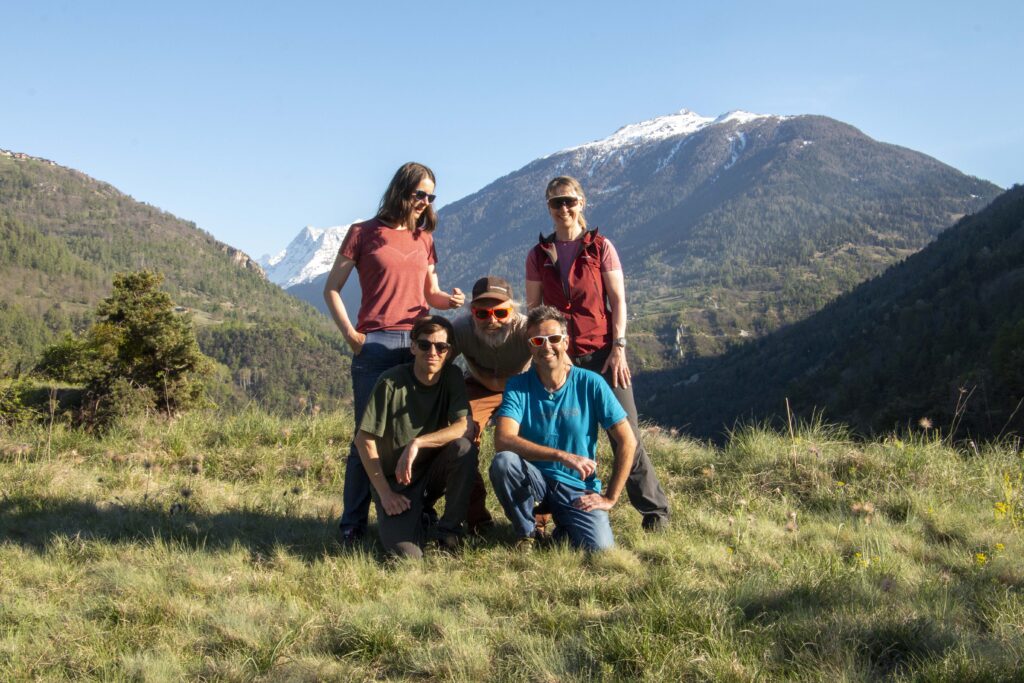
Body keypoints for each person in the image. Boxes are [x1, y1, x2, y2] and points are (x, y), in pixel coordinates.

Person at [324, 162, 465, 547]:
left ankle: (412, 507)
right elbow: (331, 288)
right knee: (365, 437)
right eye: (420, 194)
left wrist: (449, 301)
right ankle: (352, 523)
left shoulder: (425, 239)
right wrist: (352, 336)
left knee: (413, 432)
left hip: (420, 344)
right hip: (377, 344)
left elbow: (429, 294)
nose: (425, 202)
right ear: (400, 190)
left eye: (431, 196)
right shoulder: (362, 233)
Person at [525, 175, 671, 532]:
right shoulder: (537, 255)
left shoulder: (600, 247)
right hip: (560, 359)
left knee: (626, 433)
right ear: (548, 206)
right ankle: (553, 512)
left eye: (569, 201)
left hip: (603, 354)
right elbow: (534, 311)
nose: (563, 208)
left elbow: (618, 301)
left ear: (582, 203)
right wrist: (548, 355)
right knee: (556, 435)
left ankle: (655, 513)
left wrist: (619, 348)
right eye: (556, 202)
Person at [489, 306, 636, 551]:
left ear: (566, 342)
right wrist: (561, 456)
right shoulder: (518, 385)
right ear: (530, 346)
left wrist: (611, 497)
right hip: (534, 480)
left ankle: (564, 530)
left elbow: (627, 440)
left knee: (600, 550)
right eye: (538, 340)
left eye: (554, 339)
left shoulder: (591, 383)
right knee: (504, 463)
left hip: (576, 486)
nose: (546, 346)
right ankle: (528, 532)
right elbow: (503, 439)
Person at [353, 315, 477, 559]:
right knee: (407, 556)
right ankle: (419, 517)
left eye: (441, 347)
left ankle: (449, 533)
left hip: (430, 472)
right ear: (413, 347)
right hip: (397, 481)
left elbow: (465, 427)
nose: (433, 352)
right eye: (424, 345)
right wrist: (385, 493)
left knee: (464, 449)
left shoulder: (451, 376)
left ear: (449, 351)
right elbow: (363, 440)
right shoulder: (391, 382)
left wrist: (417, 443)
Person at [449, 275, 532, 531]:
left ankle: (535, 521)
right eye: (482, 313)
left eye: (501, 312)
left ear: (513, 310)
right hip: (478, 386)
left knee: (535, 438)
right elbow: (438, 363)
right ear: (471, 312)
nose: (492, 320)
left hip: (521, 387)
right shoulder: (460, 329)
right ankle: (477, 521)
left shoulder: (527, 330)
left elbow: (557, 364)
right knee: (460, 440)